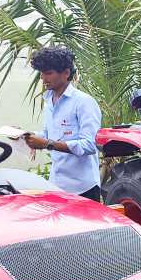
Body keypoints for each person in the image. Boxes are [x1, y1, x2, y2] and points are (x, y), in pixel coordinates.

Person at [22, 46, 103, 200]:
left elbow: (90, 145)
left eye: (48, 73)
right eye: (41, 73)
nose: (43, 78)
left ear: (66, 73)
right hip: (57, 187)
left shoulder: (84, 103)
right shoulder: (49, 101)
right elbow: (47, 134)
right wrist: (27, 136)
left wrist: (47, 144)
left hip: (83, 189)